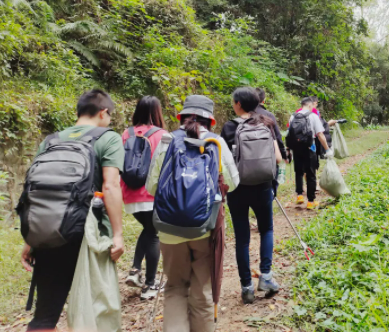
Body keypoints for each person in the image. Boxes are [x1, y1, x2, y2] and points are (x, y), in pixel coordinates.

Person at [20, 89, 125, 331]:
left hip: (48, 230)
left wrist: (31, 238)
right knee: (93, 311)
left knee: (45, 316)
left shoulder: (51, 140)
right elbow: (110, 185)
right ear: (104, 112)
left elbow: (33, 191)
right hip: (87, 234)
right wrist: (118, 234)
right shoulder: (108, 138)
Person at [146, 95, 239, 332]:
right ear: (211, 120)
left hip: (168, 228)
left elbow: (151, 187)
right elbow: (233, 182)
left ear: (181, 117)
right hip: (205, 227)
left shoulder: (167, 141)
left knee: (175, 286)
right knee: (202, 289)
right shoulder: (216, 143)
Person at [221, 88, 283, 304]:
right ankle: (266, 277)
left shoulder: (229, 127)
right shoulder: (267, 122)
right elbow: (277, 158)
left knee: (242, 238)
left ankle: (246, 287)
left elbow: (223, 162)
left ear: (238, 103)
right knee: (266, 229)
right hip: (263, 186)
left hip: (237, 188)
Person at [121, 96, 167, 300]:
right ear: (157, 112)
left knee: (148, 229)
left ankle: (134, 271)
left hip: (129, 194)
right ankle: (149, 285)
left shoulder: (125, 134)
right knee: (154, 233)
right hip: (151, 193)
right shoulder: (162, 135)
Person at [287, 97, 332, 209]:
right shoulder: (313, 116)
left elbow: (289, 134)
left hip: (296, 148)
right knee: (311, 173)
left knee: (298, 171)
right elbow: (320, 135)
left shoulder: (293, 116)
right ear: (310, 105)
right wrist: (327, 149)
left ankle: (299, 196)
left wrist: (288, 148)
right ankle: (311, 201)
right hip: (309, 148)